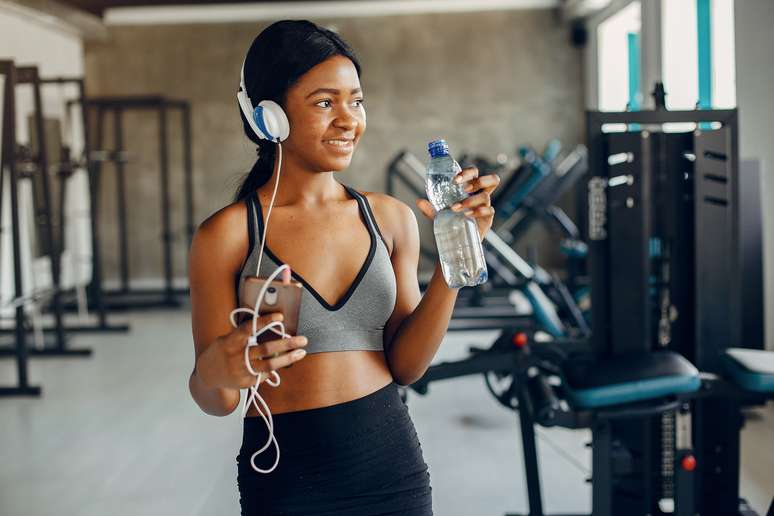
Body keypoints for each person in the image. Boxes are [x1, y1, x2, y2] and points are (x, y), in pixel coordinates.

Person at [187, 19, 501, 516]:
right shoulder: (226, 236)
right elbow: (216, 399)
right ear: (271, 117)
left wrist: (454, 259)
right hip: (286, 483)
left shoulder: (391, 219)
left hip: (392, 473)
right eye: (324, 102)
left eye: (356, 101)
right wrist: (215, 369)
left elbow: (407, 367)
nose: (348, 119)